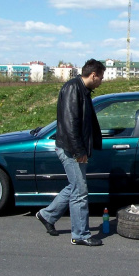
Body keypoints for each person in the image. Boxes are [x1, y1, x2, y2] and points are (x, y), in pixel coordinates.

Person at [36, 59, 105, 246]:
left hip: (74, 147)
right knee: (80, 191)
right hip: (71, 148)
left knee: (75, 186)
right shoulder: (73, 89)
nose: (102, 81)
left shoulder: (82, 90)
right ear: (93, 75)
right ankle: (80, 234)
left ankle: (47, 215)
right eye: (101, 77)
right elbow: (70, 123)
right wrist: (78, 150)